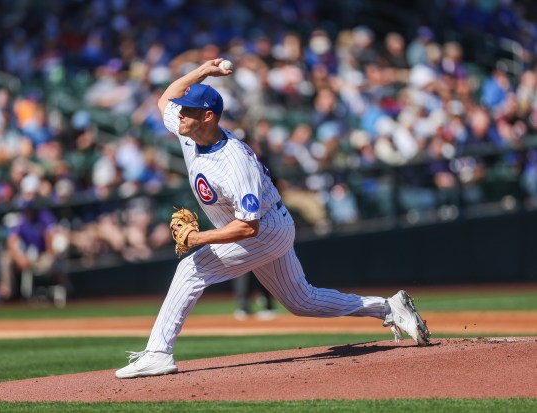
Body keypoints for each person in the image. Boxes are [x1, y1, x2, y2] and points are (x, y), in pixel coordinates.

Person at [115, 59, 430, 379]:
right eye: (181, 109)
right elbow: (164, 99)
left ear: (207, 117)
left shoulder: (234, 163)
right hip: (268, 225)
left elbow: (247, 226)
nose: (179, 114)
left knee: (190, 270)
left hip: (264, 229)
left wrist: (197, 239)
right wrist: (202, 73)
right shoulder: (188, 131)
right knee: (301, 300)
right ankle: (390, 308)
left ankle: (158, 353)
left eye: (188, 110)